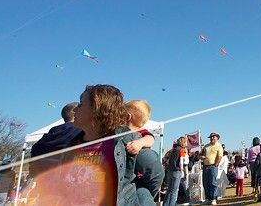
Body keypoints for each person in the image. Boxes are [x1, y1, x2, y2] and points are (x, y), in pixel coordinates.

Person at [29, 84, 163, 205]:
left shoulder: (126, 143)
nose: (76, 109)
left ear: (97, 109)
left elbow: (155, 175)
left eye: (81, 104)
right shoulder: (72, 145)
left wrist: (134, 198)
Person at [125, 100, 164, 197]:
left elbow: (150, 138)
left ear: (128, 116)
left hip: (137, 177)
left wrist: (140, 143)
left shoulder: (140, 132)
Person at [163, 137, 188, 206]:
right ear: (183, 142)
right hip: (177, 171)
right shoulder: (182, 150)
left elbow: (166, 160)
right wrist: (182, 170)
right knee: (174, 191)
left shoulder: (172, 150)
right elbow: (181, 162)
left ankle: (165, 204)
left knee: (169, 191)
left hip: (170, 171)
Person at [202, 133, 223, 205]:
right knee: (206, 183)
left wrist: (215, 165)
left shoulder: (219, 146)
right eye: (210, 137)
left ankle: (214, 198)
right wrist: (202, 157)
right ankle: (208, 198)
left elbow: (220, 156)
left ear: (217, 138)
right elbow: (202, 154)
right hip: (205, 166)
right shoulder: (206, 146)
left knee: (213, 183)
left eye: (213, 137)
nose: (211, 138)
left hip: (213, 166)